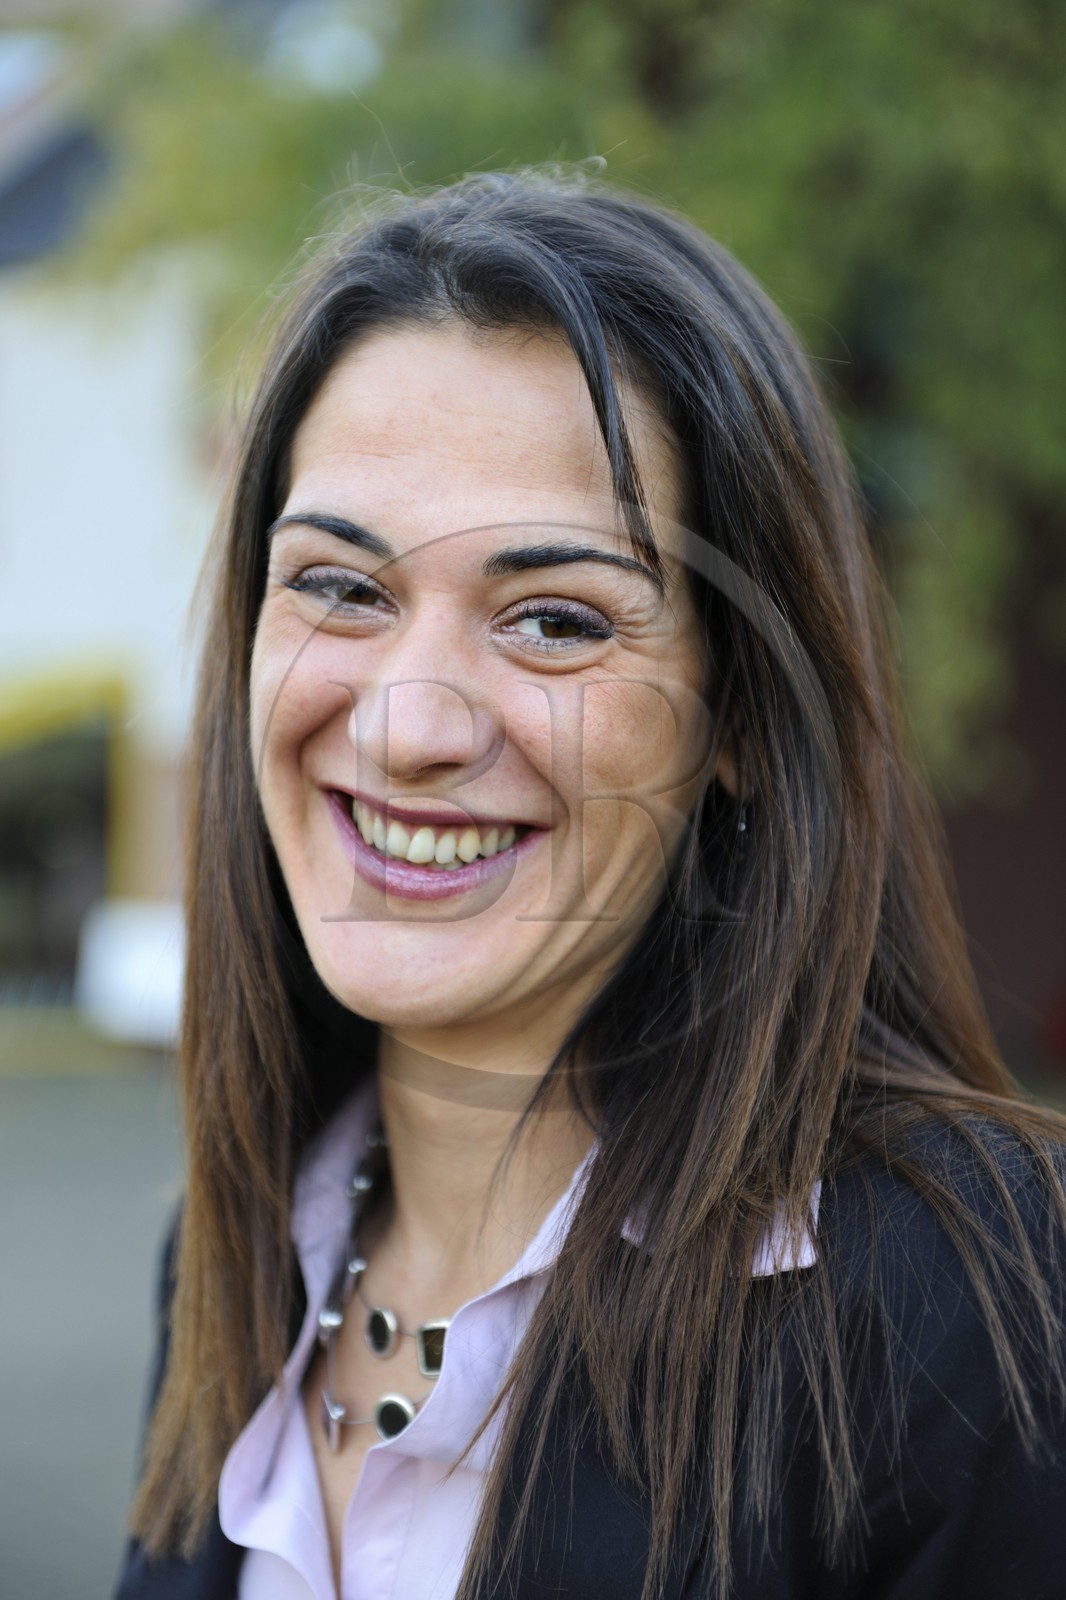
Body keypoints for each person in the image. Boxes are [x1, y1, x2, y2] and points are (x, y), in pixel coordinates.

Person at [113, 170, 1066, 1600]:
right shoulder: (231, 1260)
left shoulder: (975, 1294)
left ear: (737, 721)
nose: (404, 724)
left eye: (554, 619)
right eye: (339, 587)